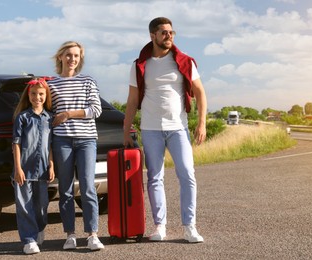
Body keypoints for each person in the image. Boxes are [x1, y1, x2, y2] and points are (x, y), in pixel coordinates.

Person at [123, 17, 207, 243]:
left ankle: (190, 226)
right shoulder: (139, 65)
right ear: (152, 36)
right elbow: (132, 101)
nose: (169, 36)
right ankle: (160, 226)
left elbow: (200, 93)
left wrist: (201, 123)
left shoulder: (184, 62)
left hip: (178, 128)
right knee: (154, 178)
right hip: (150, 129)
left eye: (171, 32)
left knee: (187, 175)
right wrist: (126, 130)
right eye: (164, 32)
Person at [48, 41, 105, 251]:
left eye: (77, 56)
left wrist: (69, 114)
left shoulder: (88, 81)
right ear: (60, 57)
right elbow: (49, 115)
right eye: (69, 55)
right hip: (61, 141)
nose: (73, 59)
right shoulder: (52, 85)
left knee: (88, 188)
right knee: (65, 190)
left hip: (86, 141)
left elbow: (95, 110)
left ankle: (92, 235)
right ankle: (70, 235)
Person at [12, 77, 55, 254]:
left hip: (43, 169)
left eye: (41, 94)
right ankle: (28, 240)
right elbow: (16, 144)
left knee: (41, 204)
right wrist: (18, 168)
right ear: (28, 95)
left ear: (46, 96)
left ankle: (39, 229)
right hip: (24, 169)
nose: (37, 97)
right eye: (34, 94)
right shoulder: (22, 118)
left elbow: (50, 144)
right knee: (24, 205)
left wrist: (51, 165)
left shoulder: (49, 118)